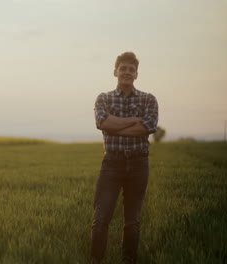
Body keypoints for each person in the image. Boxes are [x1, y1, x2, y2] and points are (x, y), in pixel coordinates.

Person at [91, 52, 158, 264]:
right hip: (112, 163)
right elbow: (103, 123)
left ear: (136, 74)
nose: (127, 72)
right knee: (100, 219)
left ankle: (129, 261)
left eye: (131, 69)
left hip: (139, 164)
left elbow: (148, 127)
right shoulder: (103, 98)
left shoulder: (148, 99)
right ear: (115, 72)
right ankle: (95, 260)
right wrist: (134, 121)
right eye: (123, 68)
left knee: (132, 221)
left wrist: (115, 126)